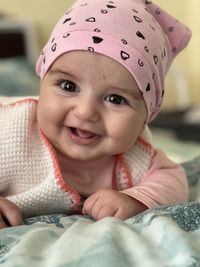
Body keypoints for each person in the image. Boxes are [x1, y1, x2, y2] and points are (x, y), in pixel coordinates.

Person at [0, 0, 191, 228]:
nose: (86, 112)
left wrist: (136, 199)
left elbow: (174, 179)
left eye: (115, 99)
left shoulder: (137, 154)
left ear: (145, 117)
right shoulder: (10, 131)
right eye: (68, 86)